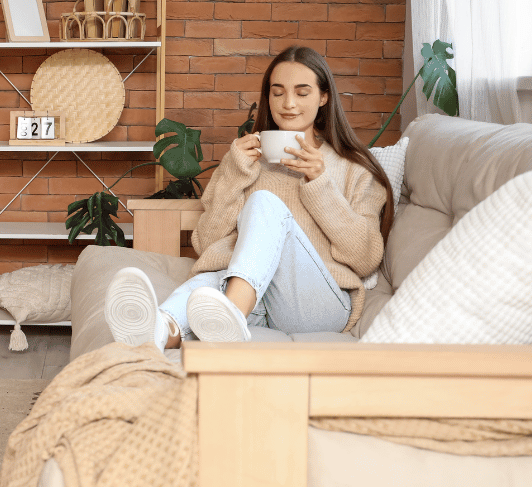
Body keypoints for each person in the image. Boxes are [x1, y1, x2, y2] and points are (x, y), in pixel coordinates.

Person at [105, 45, 395, 350]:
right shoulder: (243, 163)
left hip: (319, 306)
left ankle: (230, 311)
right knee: (207, 289)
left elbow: (365, 259)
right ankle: (158, 330)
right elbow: (207, 243)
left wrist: (320, 184)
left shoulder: (353, 169)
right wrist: (234, 172)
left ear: (323, 97)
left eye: (302, 92)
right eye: (278, 92)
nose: (288, 103)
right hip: (256, 302)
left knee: (263, 203)